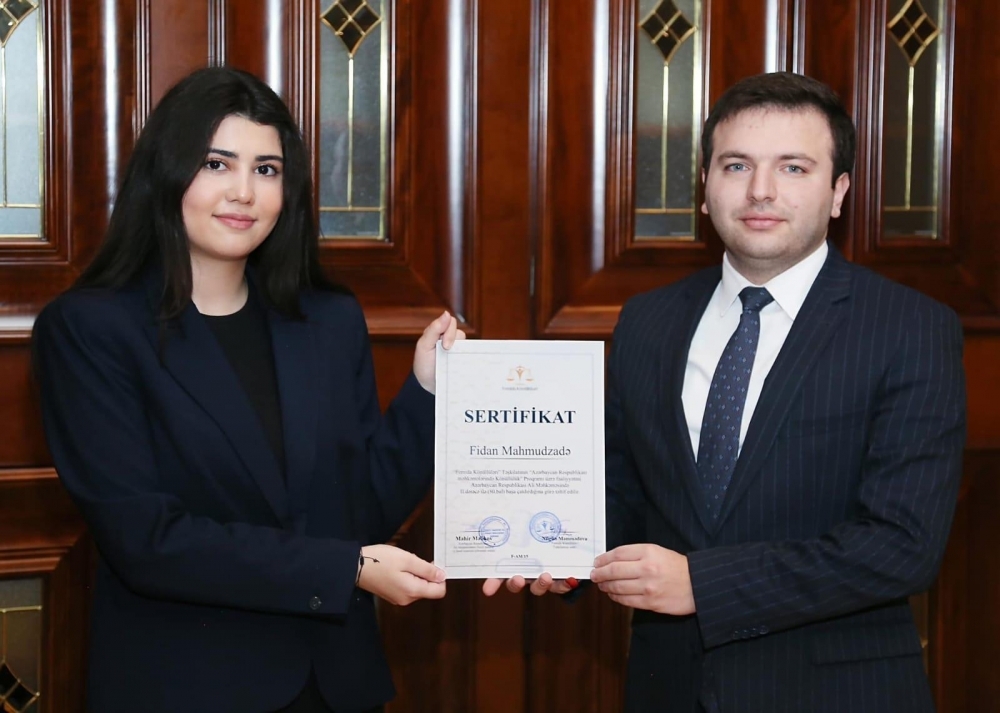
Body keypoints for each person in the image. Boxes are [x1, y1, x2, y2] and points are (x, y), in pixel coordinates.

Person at [486, 72, 966, 712]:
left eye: (793, 168)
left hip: (835, 691)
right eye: (736, 165)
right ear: (706, 189)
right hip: (669, 687)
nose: (760, 190)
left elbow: (903, 546)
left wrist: (703, 585)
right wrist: (558, 552)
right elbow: (623, 494)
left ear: (838, 193)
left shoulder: (910, 328)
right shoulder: (648, 321)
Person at [32, 66, 462, 713]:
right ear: (166, 173)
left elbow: (359, 514)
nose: (243, 191)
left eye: (266, 169)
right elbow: (147, 540)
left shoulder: (327, 320)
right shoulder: (90, 329)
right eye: (216, 164)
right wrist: (342, 570)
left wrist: (427, 392)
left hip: (333, 686)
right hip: (186, 689)